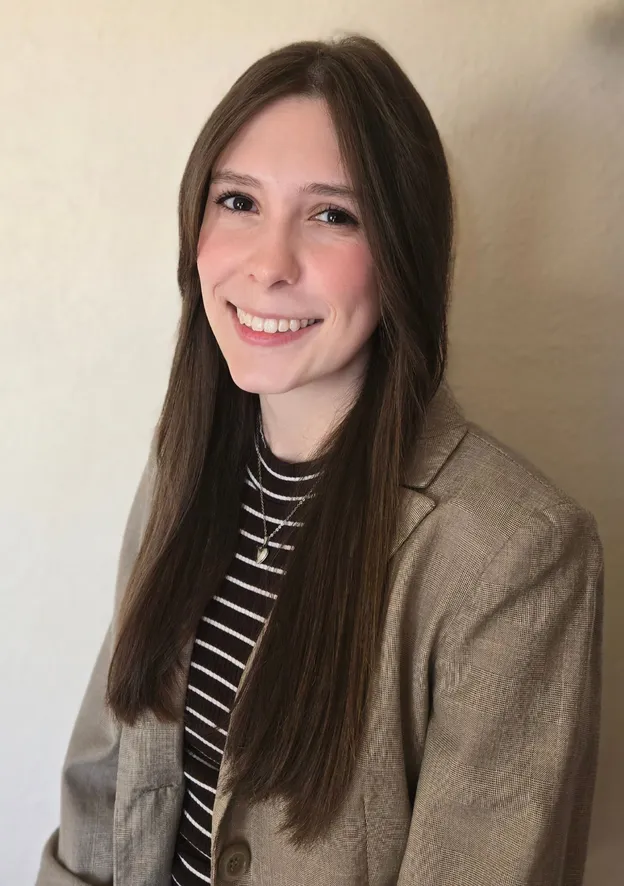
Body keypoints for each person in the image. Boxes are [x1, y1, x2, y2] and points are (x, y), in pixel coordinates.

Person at [35, 33, 604, 886]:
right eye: (238, 202)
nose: (268, 265)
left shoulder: (515, 557)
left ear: (403, 252)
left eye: (333, 215)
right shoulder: (180, 468)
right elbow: (104, 789)